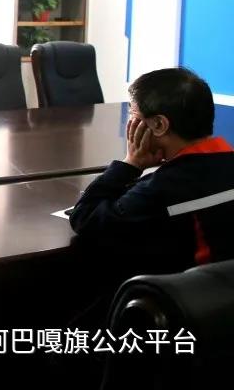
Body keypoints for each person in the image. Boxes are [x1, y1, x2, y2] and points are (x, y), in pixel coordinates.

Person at [70, 67, 234, 274]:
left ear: (158, 124)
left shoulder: (164, 189)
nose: (129, 122)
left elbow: (86, 218)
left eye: (132, 113)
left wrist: (130, 164)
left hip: (184, 292)